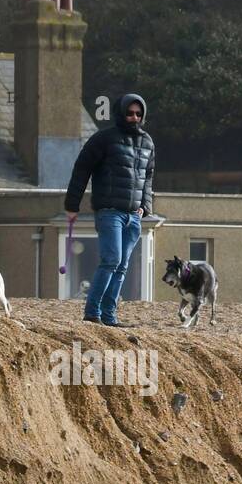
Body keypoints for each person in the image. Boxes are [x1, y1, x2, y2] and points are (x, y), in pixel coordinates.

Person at [64, 93, 154, 327]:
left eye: (138, 113)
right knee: (111, 260)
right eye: (130, 112)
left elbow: (148, 177)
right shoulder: (103, 139)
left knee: (122, 266)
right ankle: (92, 312)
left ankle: (109, 317)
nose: (134, 117)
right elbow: (81, 170)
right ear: (120, 113)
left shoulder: (147, 142)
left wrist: (145, 206)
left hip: (134, 216)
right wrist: (72, 206)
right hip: (109, 212)